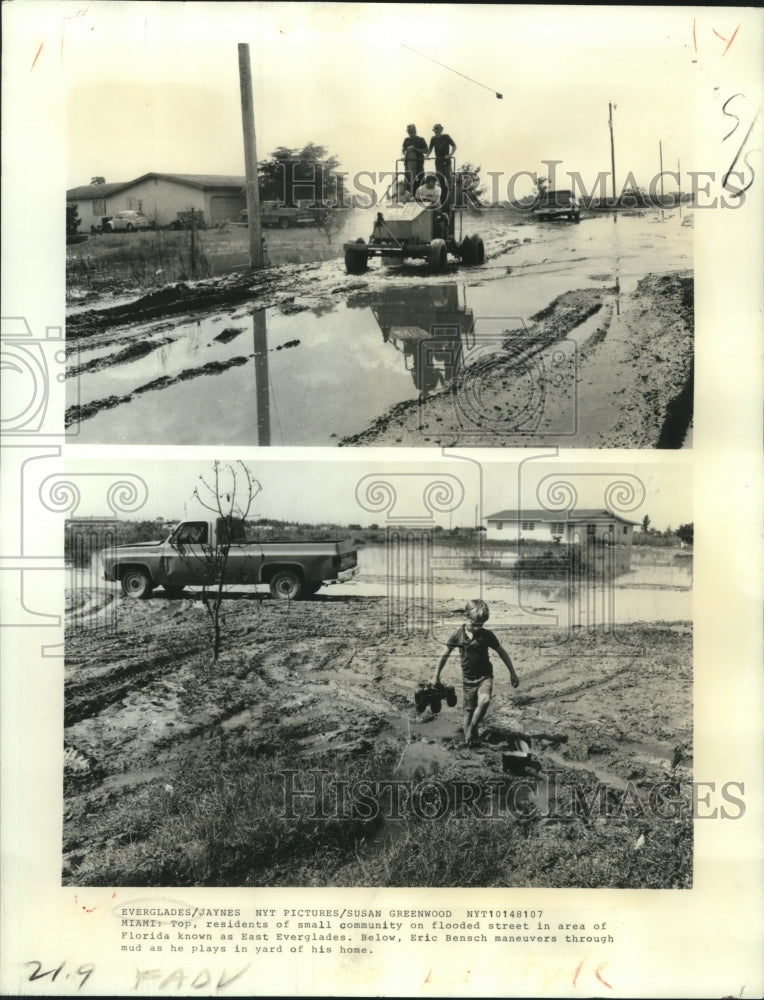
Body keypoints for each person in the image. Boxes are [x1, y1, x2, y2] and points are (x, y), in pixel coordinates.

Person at [432, 598, 519, 747]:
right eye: (475, 624)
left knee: (484, 701)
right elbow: (445, 654)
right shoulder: (457, 634)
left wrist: (512, 672)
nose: (478, 627)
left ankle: (473, 727)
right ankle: (469, 737)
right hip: (468, 681)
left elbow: (502, 652)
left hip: (485, 677)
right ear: (466, 617)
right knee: (468, 712)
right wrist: (436, 676)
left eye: (481, 625)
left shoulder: (487, 635)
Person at [402, 123, 428, 193]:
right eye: (409, 131)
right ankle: (409, 196)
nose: (410, 132)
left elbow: (426, 150)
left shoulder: (420, 139)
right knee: (408, 180)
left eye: (411, 131)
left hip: (419, 163)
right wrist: (405, 155)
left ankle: (422, 196)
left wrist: (415, 149)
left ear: (414, 130)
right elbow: (403, 150)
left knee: (421, 180)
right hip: (408, 164)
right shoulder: (406, 140)